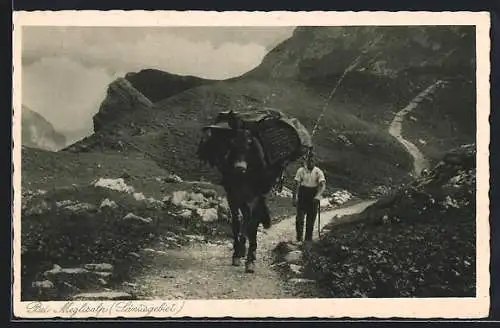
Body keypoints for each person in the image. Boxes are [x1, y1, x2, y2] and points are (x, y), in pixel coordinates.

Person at [292, 153, 326, 244]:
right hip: (303, 196)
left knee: (310, 220)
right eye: (309, 161)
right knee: (299, 219)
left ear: (315, 162)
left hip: (313, 196)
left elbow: (322, 185)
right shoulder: (301, 170)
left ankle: (308, 241)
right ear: (306, 161)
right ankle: (299, 239)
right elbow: (296, 184)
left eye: (312, 161)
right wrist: (294, 197)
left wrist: (318, 196)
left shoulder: (318, 171)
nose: (310, 163)